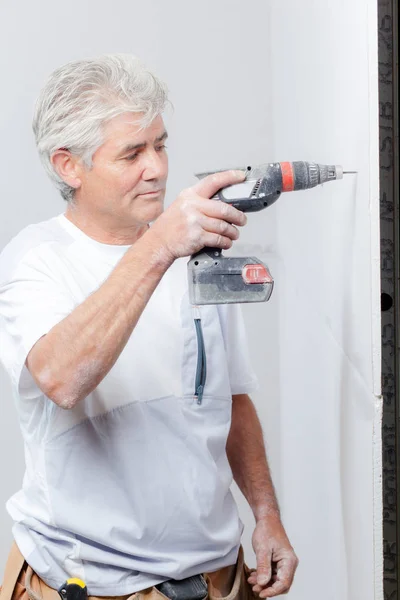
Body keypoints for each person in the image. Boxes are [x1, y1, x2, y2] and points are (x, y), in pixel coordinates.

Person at [0, 54, 298, 600]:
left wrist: (266, 514)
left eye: (160, 144)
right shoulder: (35, 261)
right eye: (132, 153)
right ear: (69, 166)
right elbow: (62, 378)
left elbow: (230, 398)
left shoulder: (195, 252)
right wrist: (161, 244)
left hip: (217, 578)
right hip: (89, 585)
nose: (157, 168)